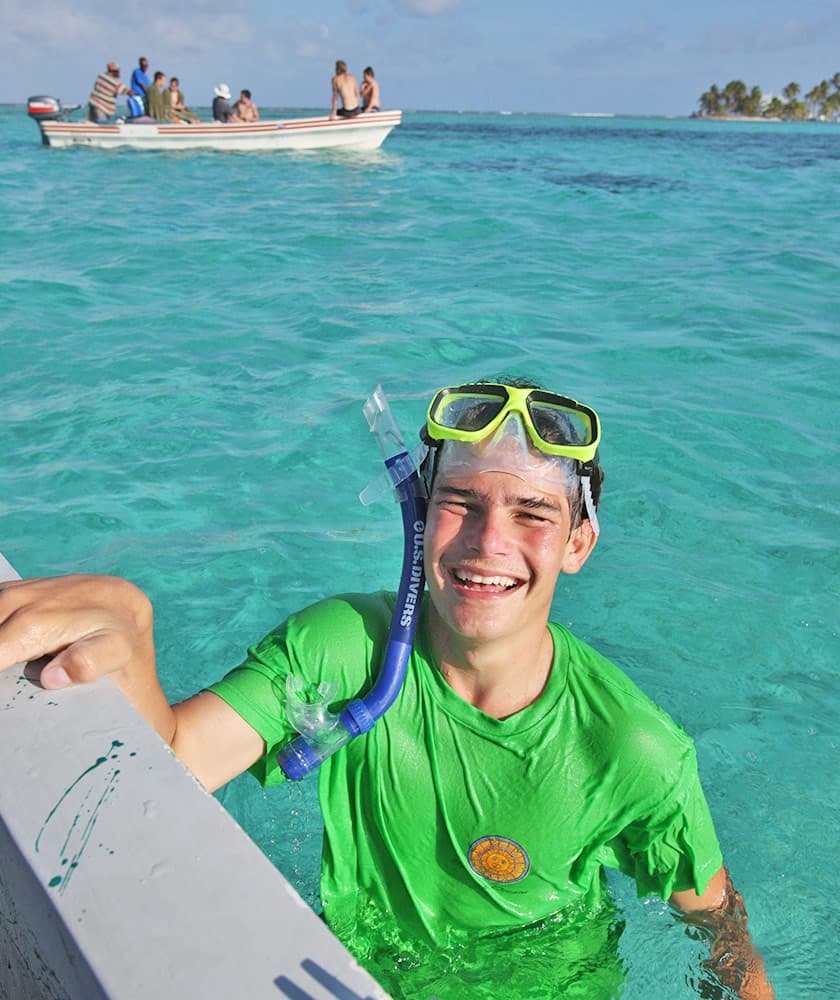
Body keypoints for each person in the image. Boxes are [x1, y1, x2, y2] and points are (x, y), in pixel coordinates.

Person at [0, 379, 774, 999]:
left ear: (579, 542)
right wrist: (131, 628)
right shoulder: (344, 651)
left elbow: (721, 930)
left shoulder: (631, 748)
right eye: (460, 503)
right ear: (420, 513)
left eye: (532, 513)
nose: (487, 541)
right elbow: (170, 764)